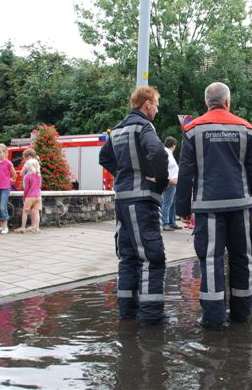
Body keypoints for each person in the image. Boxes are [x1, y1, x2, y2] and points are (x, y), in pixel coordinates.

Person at [175, 82, 252, 331]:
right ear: (228, 101)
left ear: (207, 103)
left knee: (211, 261)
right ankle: (241, 316)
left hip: (208, 208)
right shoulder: (246, 129)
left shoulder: (193, 130)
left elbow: (186, 173)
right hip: (241, 207)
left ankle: (214, 320)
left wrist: (182, 209)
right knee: (242, 259)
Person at [99, 85, 169, 326]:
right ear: (146, 103)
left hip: (122, 200)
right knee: (152, 257)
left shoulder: (117, 130)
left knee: (127, 256)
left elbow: (104, 157)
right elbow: (158, 153)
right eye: (156, 104)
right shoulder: (144, 126)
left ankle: (127, 312)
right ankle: (152, 317)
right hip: (142, 201)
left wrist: (123, 174)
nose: (157, 110)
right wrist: (159, 181)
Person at [15, 158, 42, 234]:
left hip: (30, 196)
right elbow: (39, 186)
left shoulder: (28, 176)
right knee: (36, 212)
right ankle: (37, 228)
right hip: (38, 196)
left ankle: (23, 227)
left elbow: (26, 189)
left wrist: (24, 197)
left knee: (25, 212)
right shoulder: (39, 176)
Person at [161, 136, 181, 231]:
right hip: (170, 181)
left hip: (173, 182)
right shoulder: (166, 153)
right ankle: (165, 223)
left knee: (172, 203)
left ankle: (172, 222)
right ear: (173, 145)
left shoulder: (168, 153)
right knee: (167, 203)